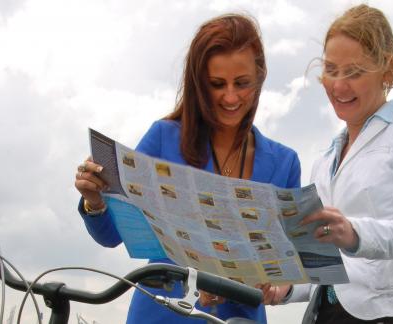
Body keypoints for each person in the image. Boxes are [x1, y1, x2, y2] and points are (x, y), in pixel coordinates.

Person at [74, 14, 301, 324]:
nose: (231, 97)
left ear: (260, 77)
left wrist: (273, 284)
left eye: (243, 83)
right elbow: (113, 235)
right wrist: (95, 201)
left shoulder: (285, 164)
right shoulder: (163, 139)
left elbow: (288, 265)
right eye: (217, 84)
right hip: (162, 316)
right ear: (199, 84)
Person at [260, 4, 393, 324]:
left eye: (353, 72)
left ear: (387, 71)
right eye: (331, 70)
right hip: (329, 316)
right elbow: (329, 268)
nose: (338, 85)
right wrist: (285, 287)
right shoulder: (324, 162)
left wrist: (353, 233)